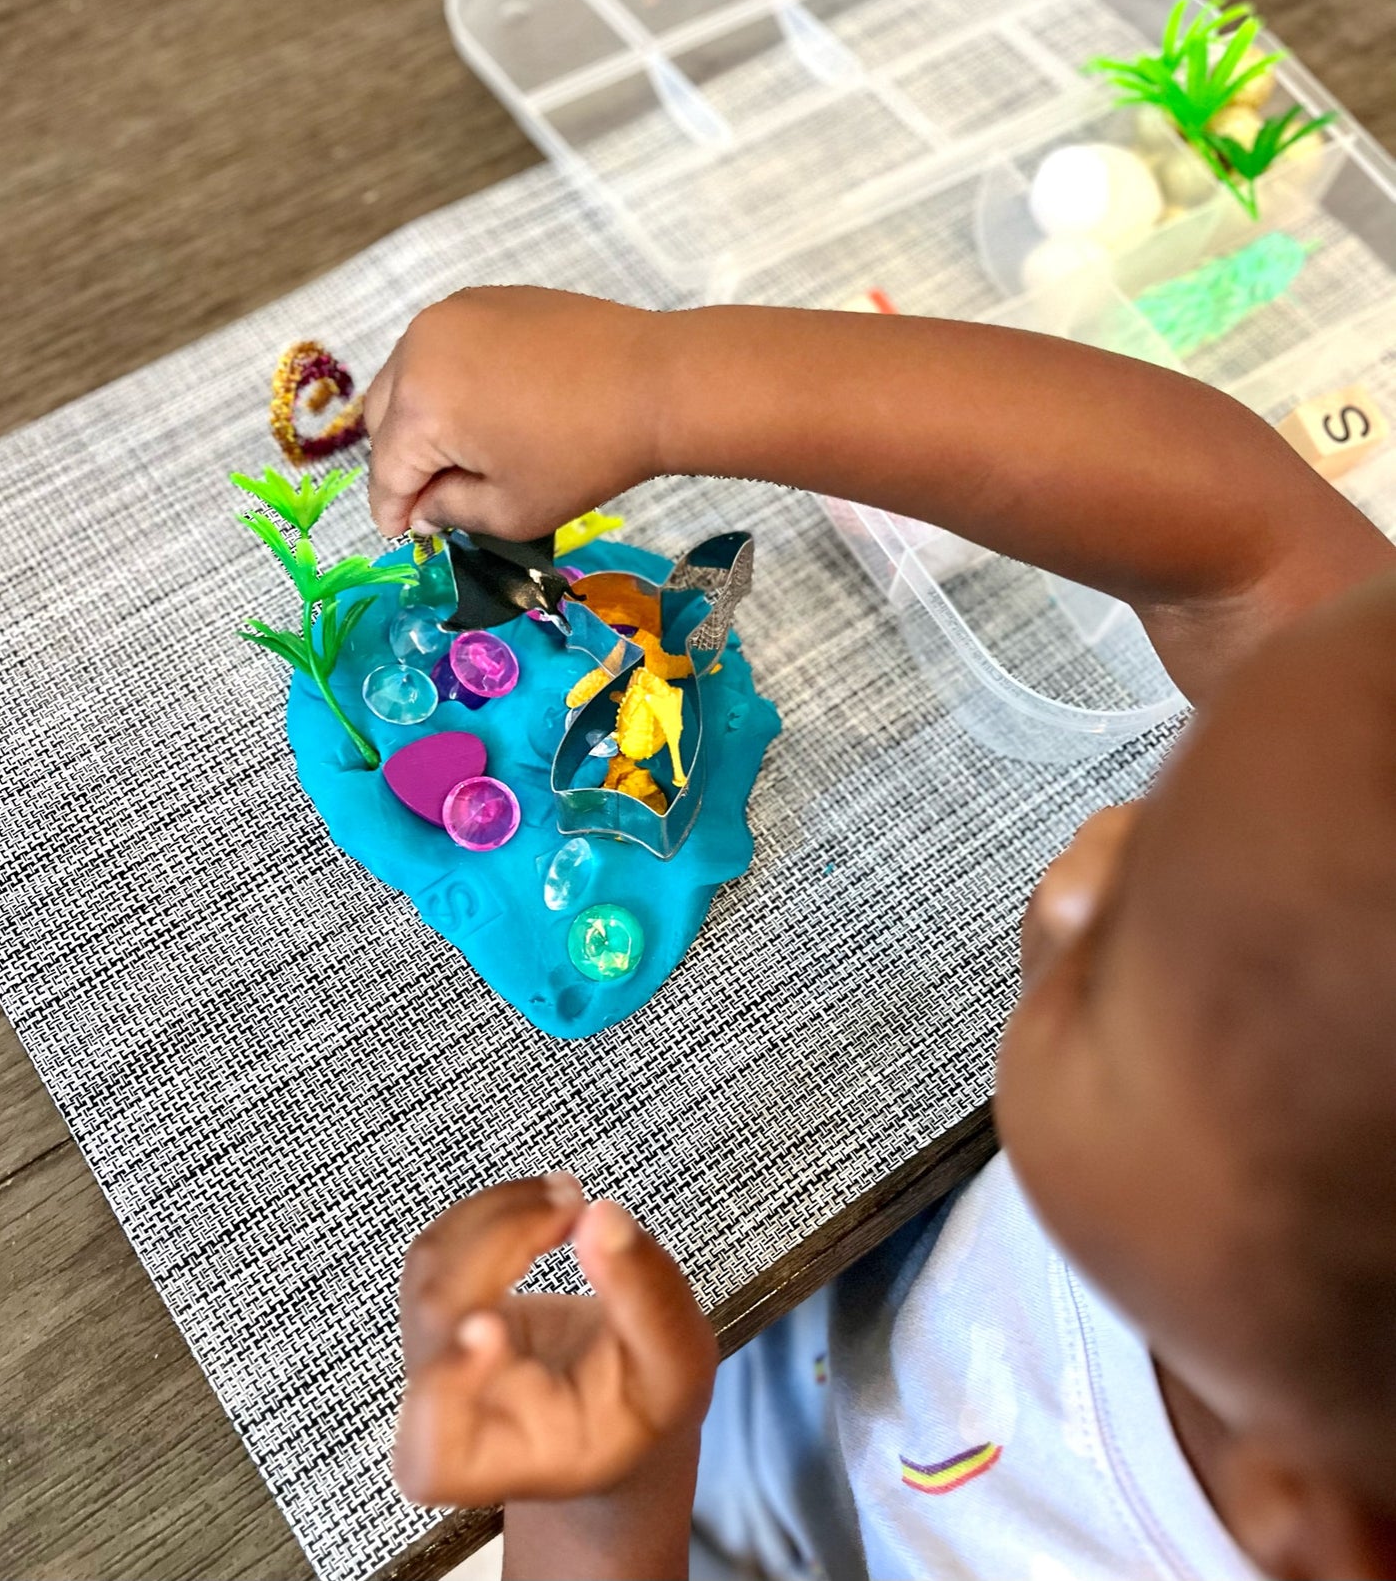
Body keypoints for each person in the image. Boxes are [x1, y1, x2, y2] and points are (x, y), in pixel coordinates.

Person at [371, 288, 1396, 1581]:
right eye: (1176, 815)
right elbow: (1247, 535)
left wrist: (601, 1497)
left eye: (1110, 991)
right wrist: (654, 380)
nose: (1087, 871)